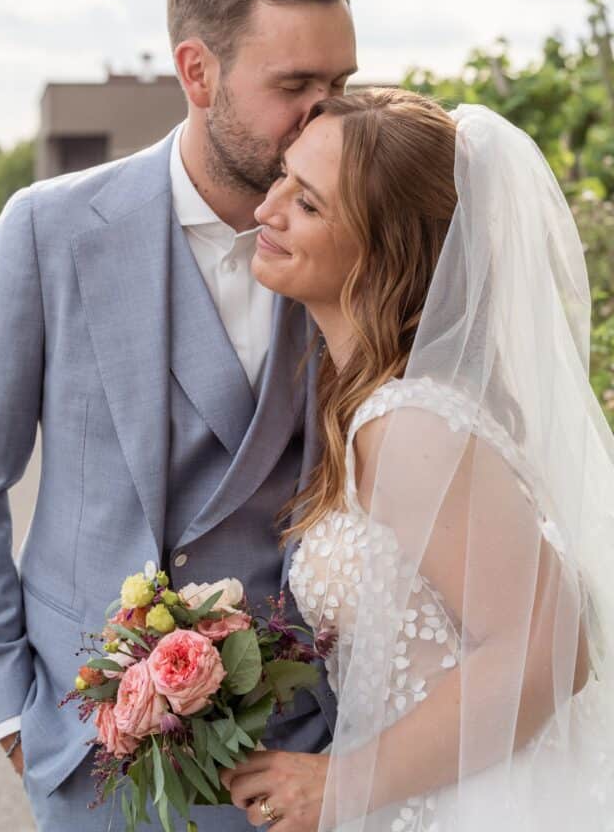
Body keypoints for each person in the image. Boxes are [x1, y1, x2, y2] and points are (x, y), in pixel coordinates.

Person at [0, 0, 357, 831]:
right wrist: (17, 724)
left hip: (305, 755)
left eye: (339, 86)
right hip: (95, 755)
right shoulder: (47, 232)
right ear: (197, 73)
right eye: (294, 88)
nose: (325, 117)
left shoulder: (363, 245)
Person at [222, 88, 614, 831]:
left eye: (308, 205)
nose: (267, 211)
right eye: (283, 177)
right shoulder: (382, 405)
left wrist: (339, 786)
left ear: (382, 250)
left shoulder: (409, 424)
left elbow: (550, 649)